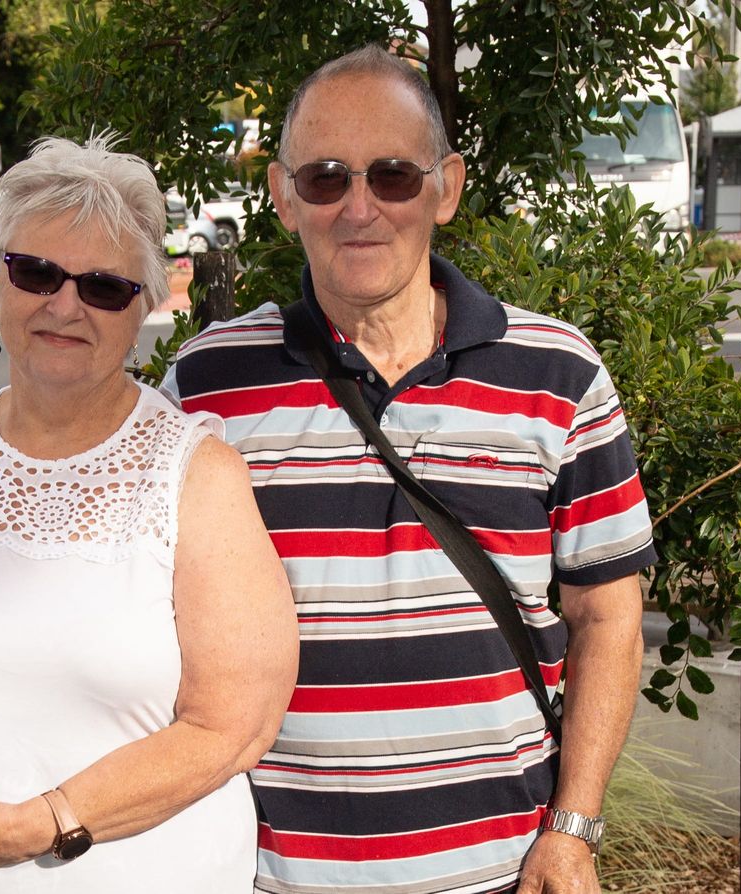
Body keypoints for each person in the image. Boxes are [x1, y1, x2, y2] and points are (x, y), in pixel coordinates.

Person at [160, 45, 655, 894]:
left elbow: (608, 619)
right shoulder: (208, 387)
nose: (360, 208)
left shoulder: (561, 376)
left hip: (499, 874)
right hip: (267, 877)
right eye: (325, 178)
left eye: (392, 176)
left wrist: (573, 829)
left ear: (446, 188)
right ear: (282, 197)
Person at [0, 134, 298, 893]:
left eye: (103, 286)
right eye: (36, 271)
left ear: (143, 303)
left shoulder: (197, 475)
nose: (64, 304)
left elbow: (234, 726)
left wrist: (33, 827)